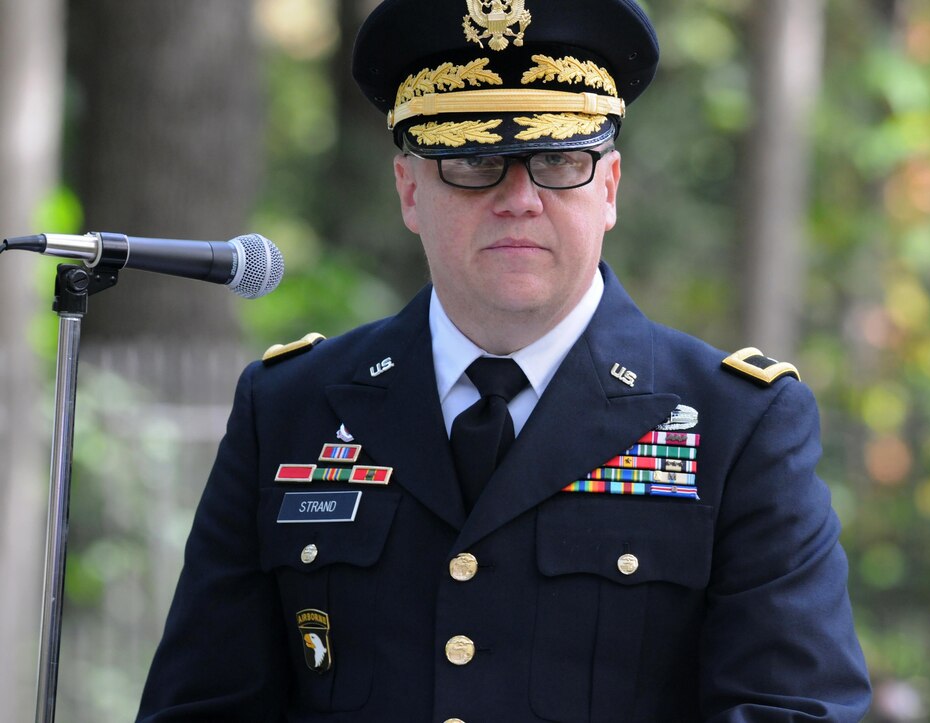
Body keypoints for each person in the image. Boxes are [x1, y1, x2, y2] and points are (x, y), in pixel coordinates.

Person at [137, 0, 871, 720]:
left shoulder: (738, 425)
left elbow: (792, 709)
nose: (519, 198)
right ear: (409, 192)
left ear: (608, 188)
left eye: (557, 159)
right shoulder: (291, 409)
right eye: (474, 158)